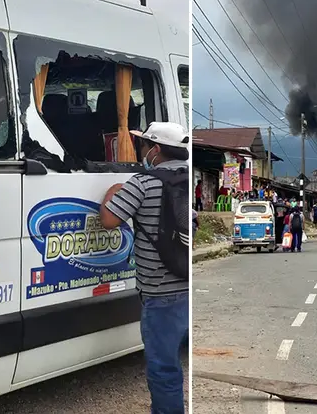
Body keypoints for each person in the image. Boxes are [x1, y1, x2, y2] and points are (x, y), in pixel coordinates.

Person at [99, 121, 189, 414]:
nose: (142, 151)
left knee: (164, 370)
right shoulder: (189, 179)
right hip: (188, 286)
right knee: (182, 361)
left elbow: (110, 220)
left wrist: (113, 191)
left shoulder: (142, 183)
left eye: (144, 145)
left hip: (160, 295)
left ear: (156, 149)